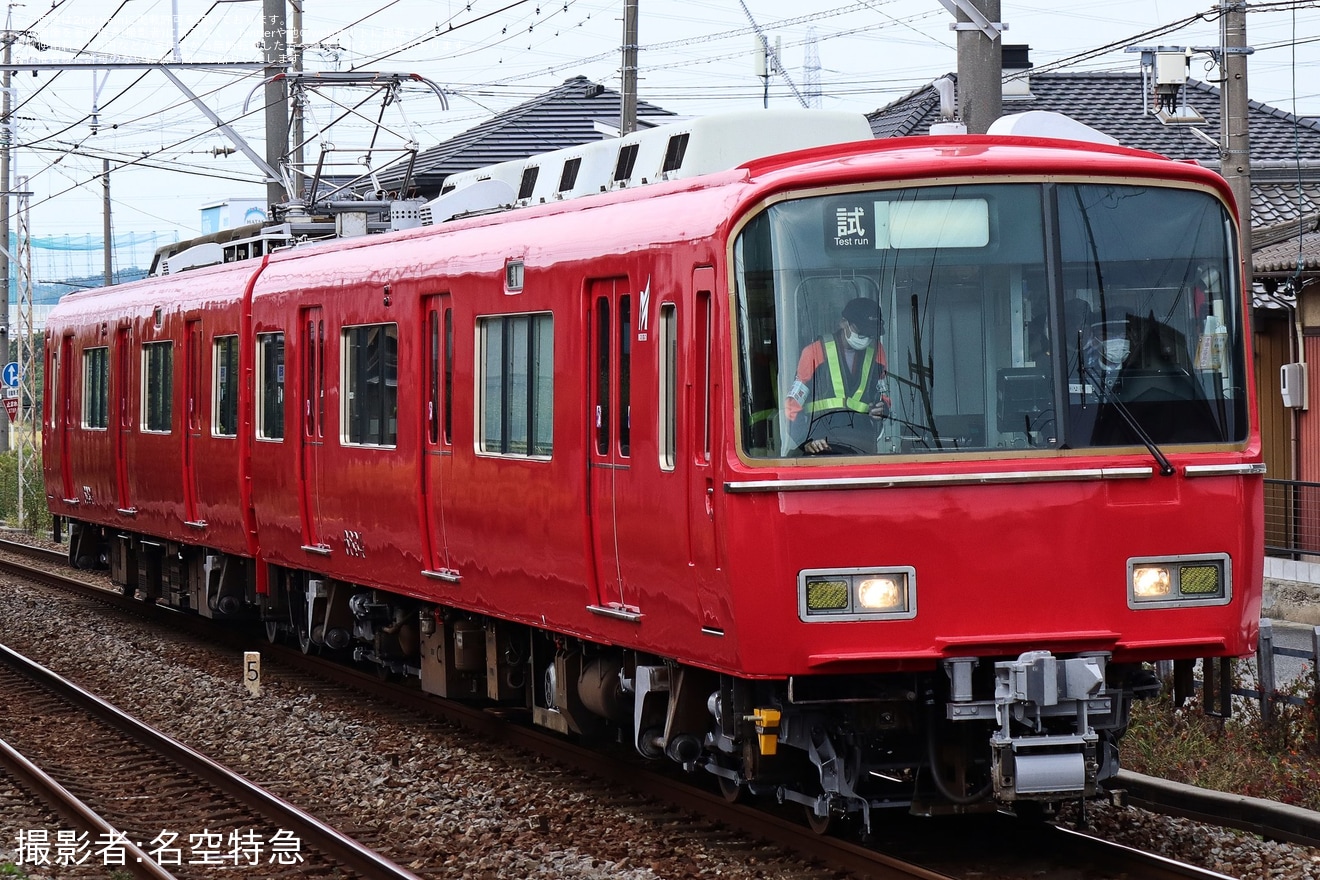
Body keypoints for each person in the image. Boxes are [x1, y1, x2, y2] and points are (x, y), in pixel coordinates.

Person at [785, 297, 890, 454]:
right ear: (843, 323)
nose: (866, 338)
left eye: (871, 334)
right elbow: (793, 404)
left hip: (863, 443)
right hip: (822, 444)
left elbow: (883, 393)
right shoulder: (814, 352)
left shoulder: (877, 351)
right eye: (861, 332)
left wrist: (883, 409)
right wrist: (805, 440)